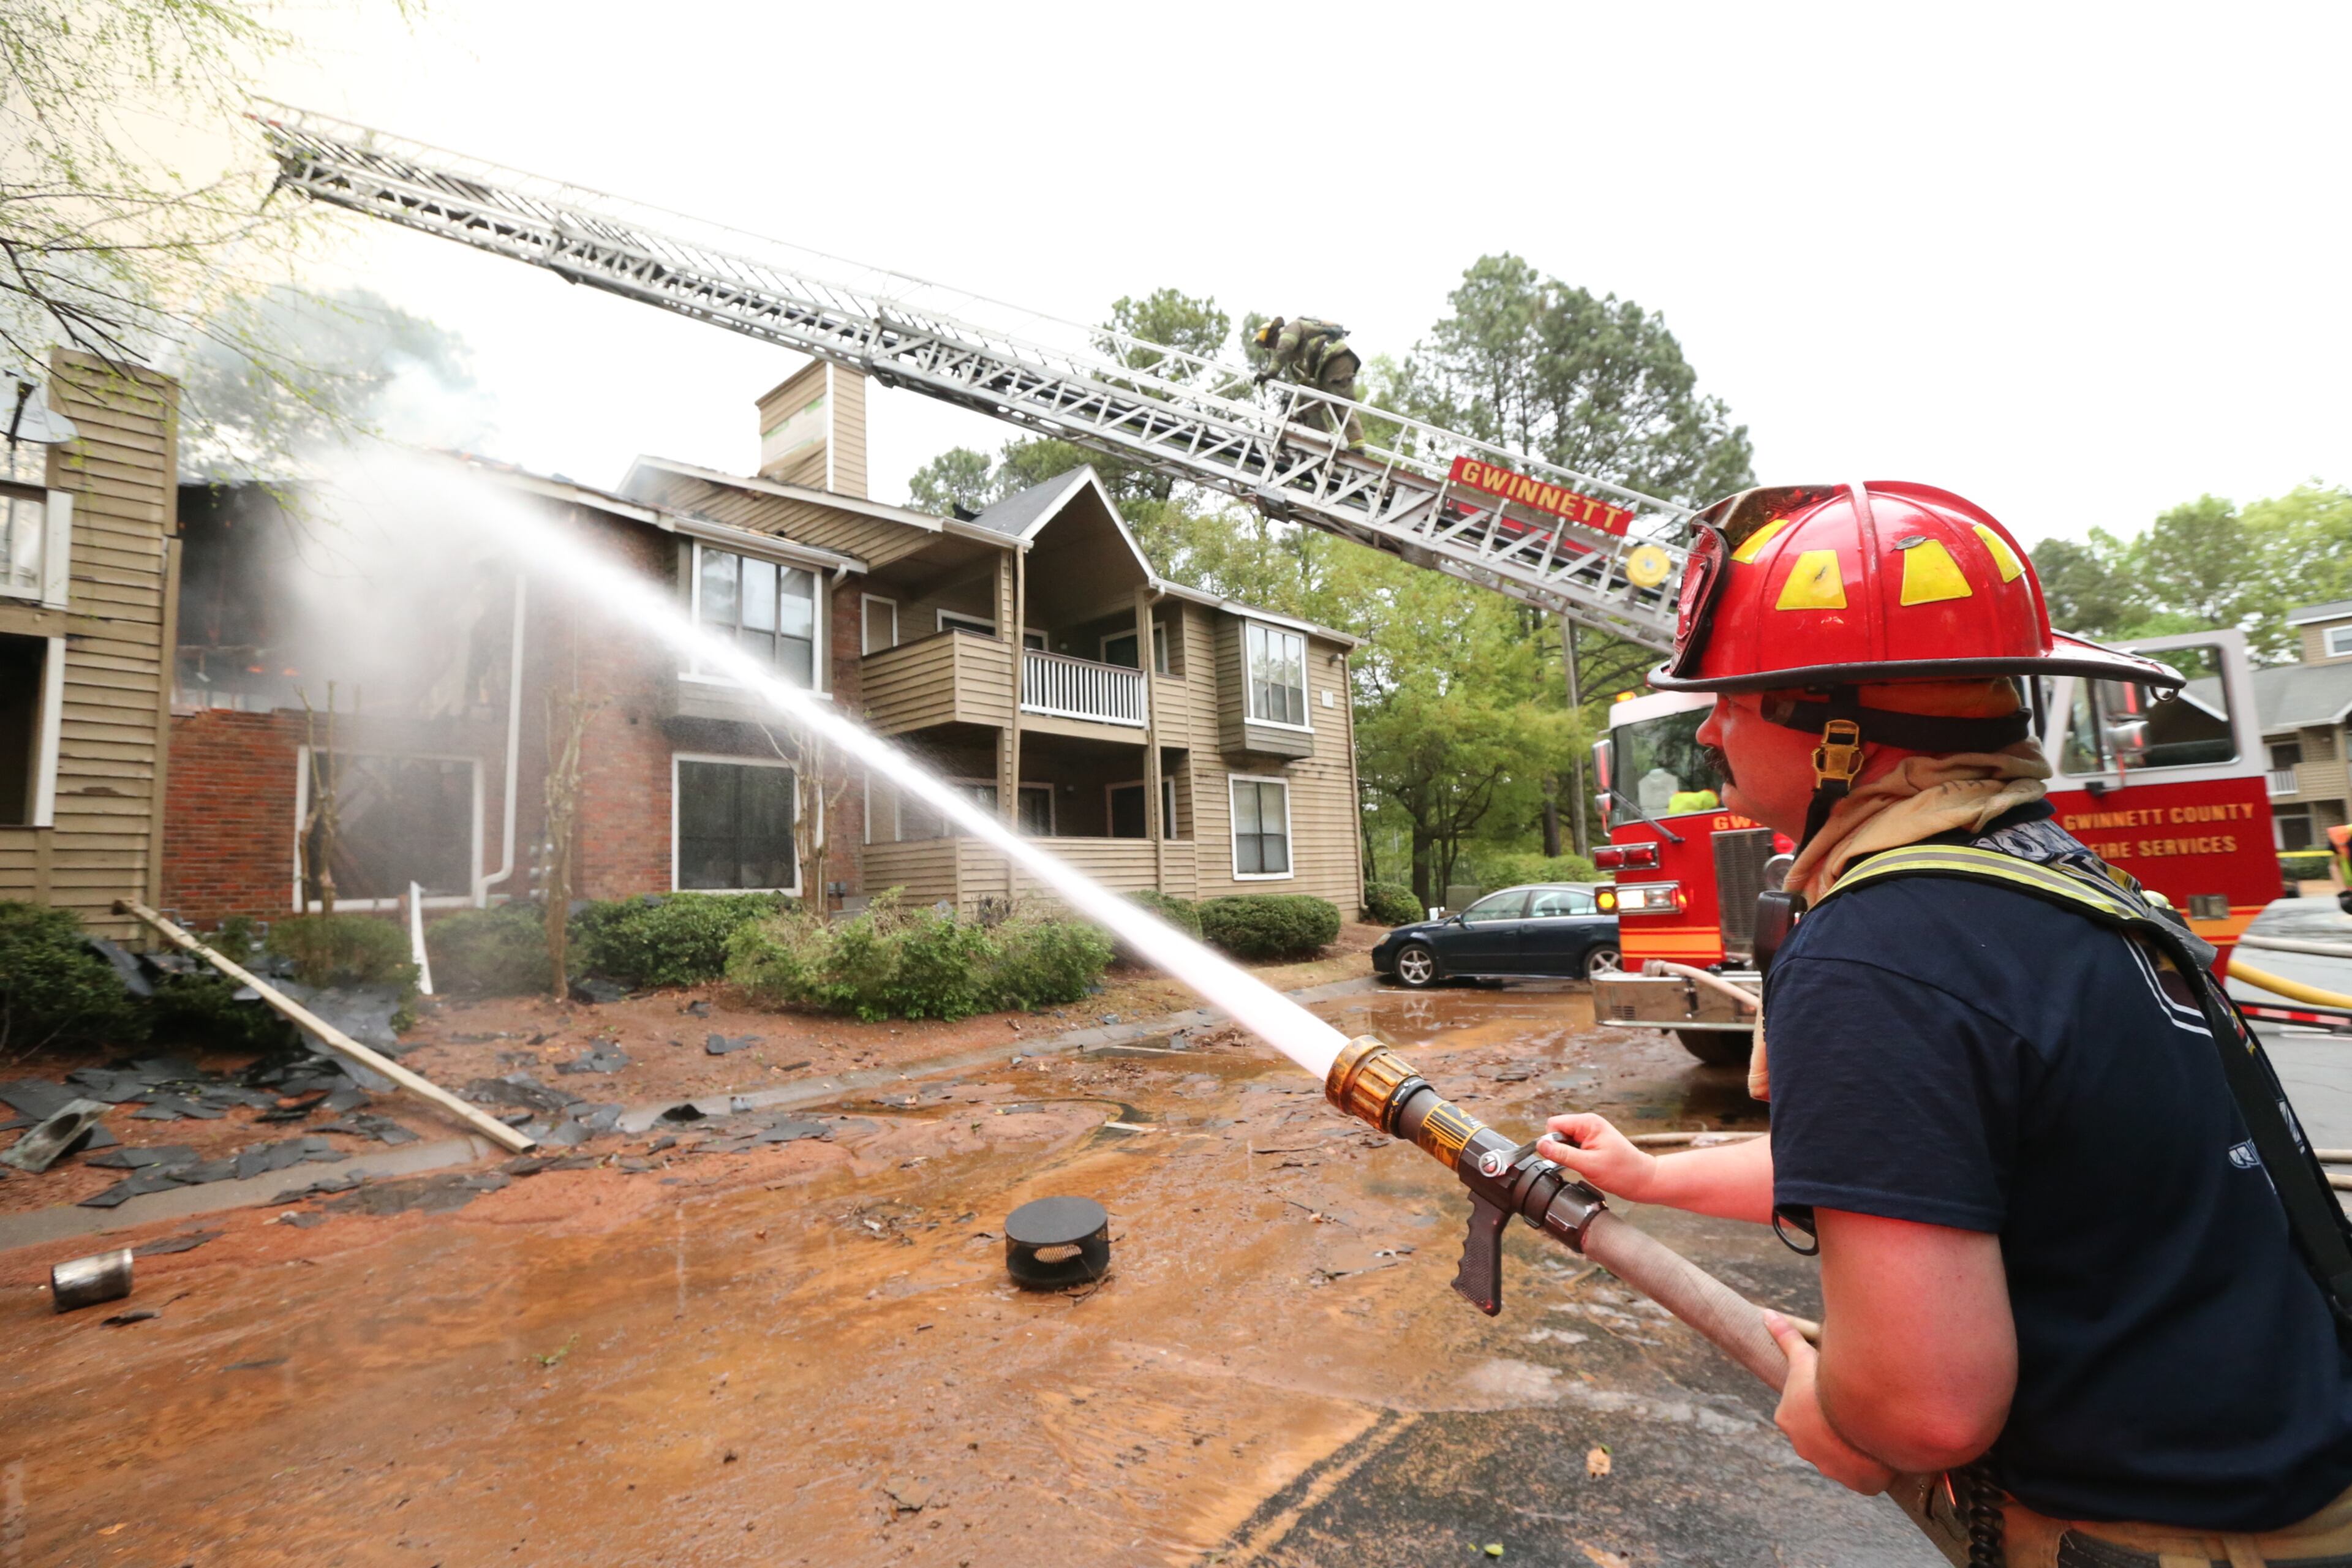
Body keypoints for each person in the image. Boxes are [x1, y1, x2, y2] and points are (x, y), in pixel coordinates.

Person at [1536, 481, 2352, 1566]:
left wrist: (1837, 1404)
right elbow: (1930, 1169)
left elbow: (1926, 1413)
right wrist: (1651, 1176)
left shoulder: (1883, 947)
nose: (1714, 728)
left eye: (1736, 696)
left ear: (1837, 726)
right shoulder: (2058, 889)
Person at [1251, 316, 1364, 451]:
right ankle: (1323, 442)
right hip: (1323, 369)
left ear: (1275, 334)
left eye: (1271, 344)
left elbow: (1285, 348)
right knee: (1308, 406)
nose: (1273, 348)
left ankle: (1357, 446)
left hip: (1335, 358)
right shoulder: (1298, 362)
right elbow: (1305, 387)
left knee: (1340, 401)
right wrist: (1297, 415)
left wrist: (1270, 372)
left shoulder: (1292, 328)